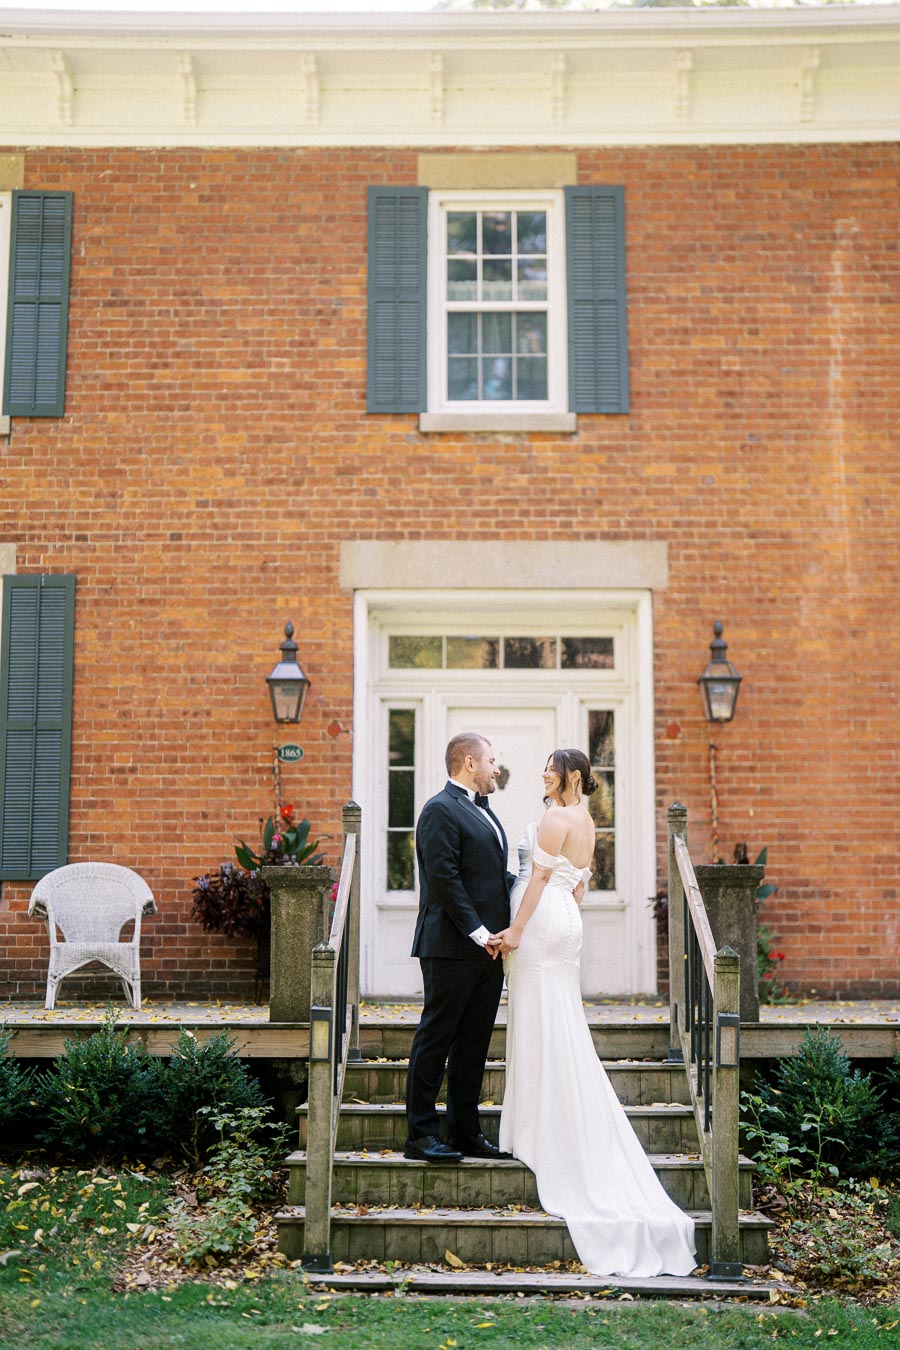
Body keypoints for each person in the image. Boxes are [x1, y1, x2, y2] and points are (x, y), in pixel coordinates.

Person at [487, 748, 697, 1278]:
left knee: (539, 1023)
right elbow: (580, 884)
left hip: (540, 922)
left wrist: (515, 930)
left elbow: (536, 882)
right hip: (567, 921)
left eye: (550, 768)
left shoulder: (558, 816)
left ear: (571, 775)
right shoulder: (587, 820)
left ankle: (536, 1129)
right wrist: (557, 916)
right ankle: (536, 1121)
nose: (542, 773)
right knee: (558, 1022)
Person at [404, 732, 515, 1164]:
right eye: (491, 759)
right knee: (436, 1038)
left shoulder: (484, 812)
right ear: (469, 763)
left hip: (488, 950)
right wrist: (477, 931)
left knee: (473, 1043)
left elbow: (489, 879)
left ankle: (465, 1131)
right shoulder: (438, 810)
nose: (497, 768)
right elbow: (445, 878)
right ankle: (420, 1135)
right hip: (451, 946)